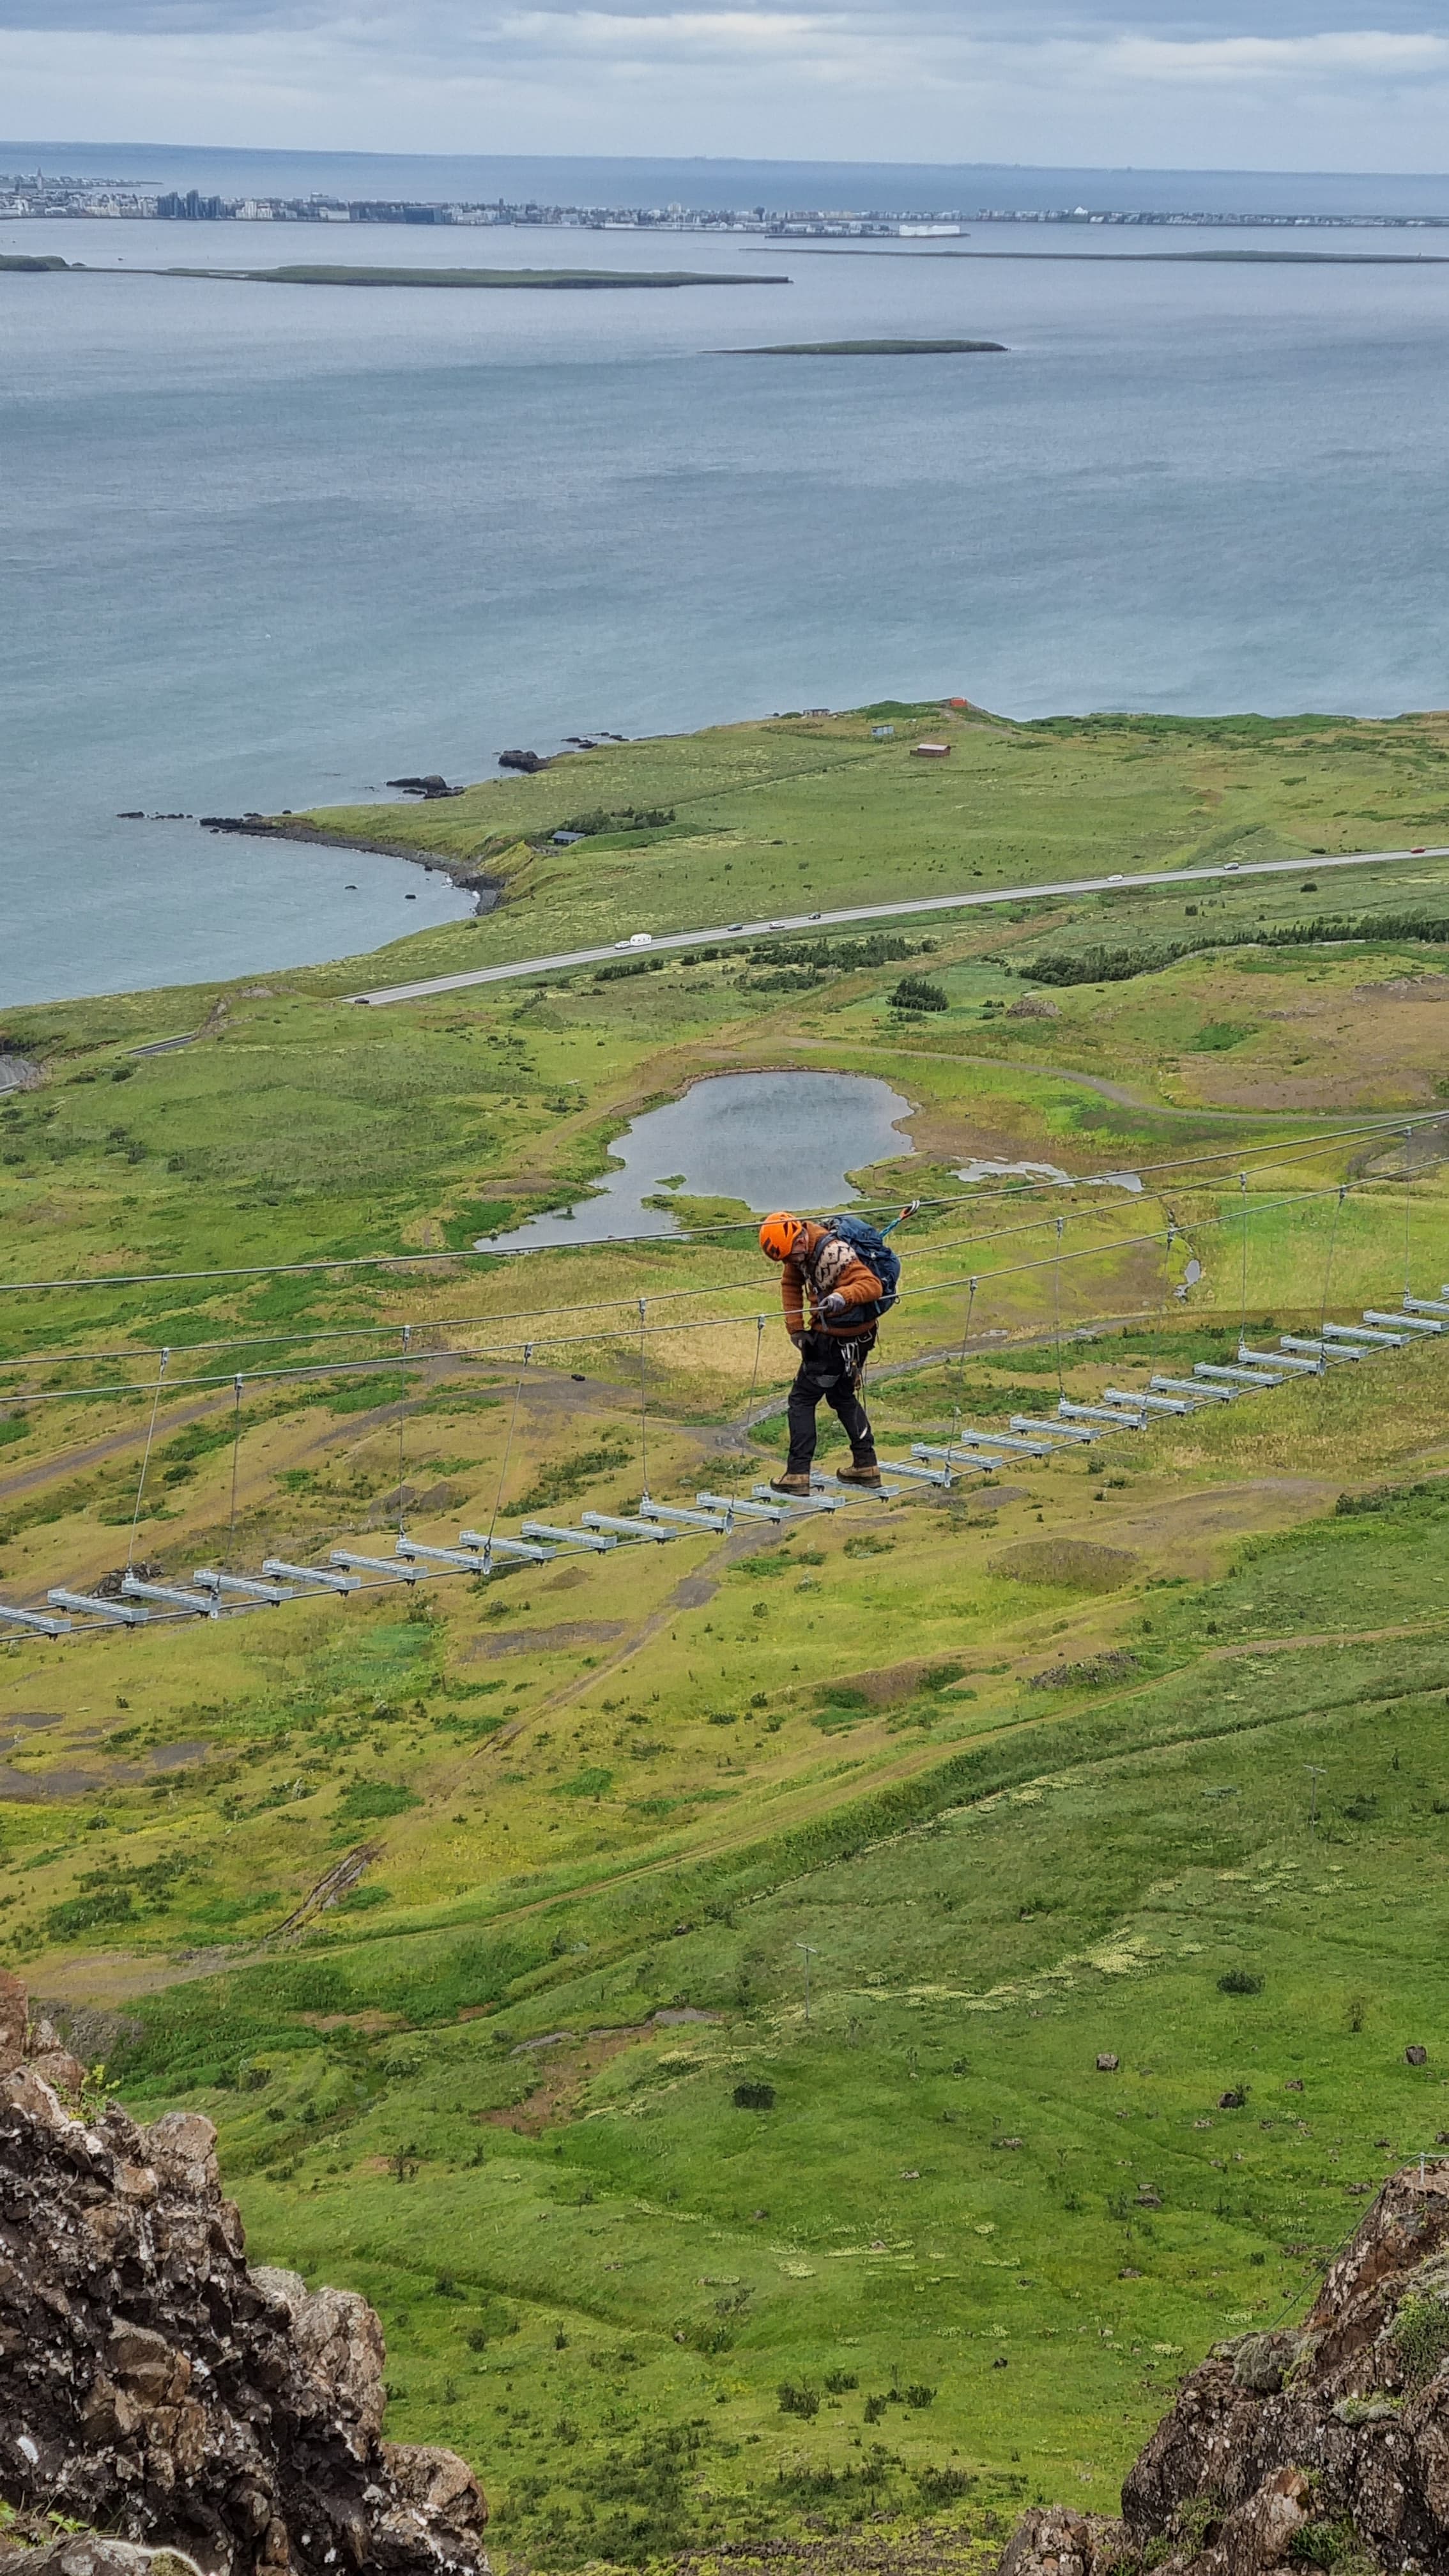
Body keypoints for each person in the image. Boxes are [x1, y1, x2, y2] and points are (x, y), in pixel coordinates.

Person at [758, 1212, 883, 1494]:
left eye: (791, 1256)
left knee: (801, 1400)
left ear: (801, 1239)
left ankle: (798, 1473)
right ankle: (866, 1464)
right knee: (841, 1395)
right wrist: (795, 1328)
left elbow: (873, 1286)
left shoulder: (834, 1253)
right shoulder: (798, 1250)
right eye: (784, 1260)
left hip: (835, 1341)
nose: (790, 1263)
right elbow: (791, 1284)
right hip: (853, 1338)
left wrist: (844, 1296)